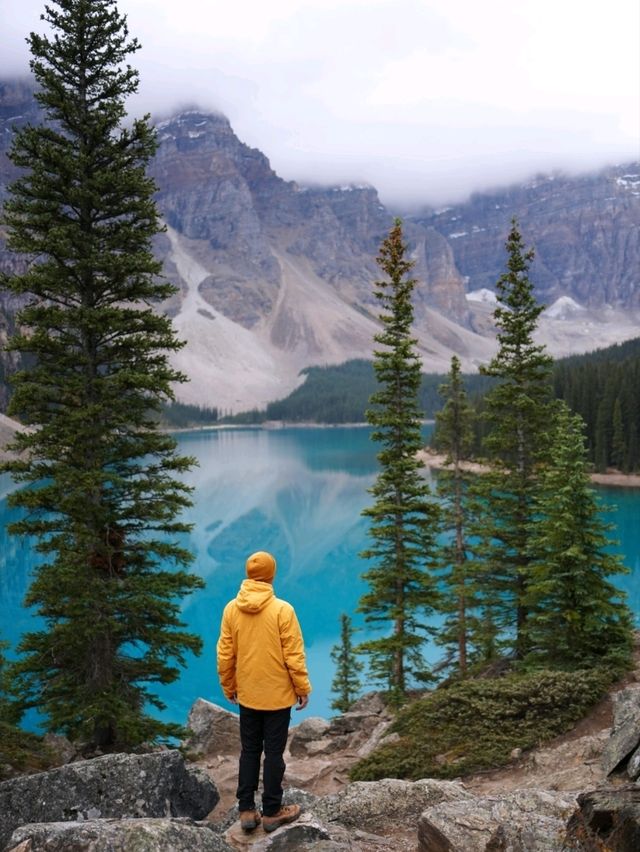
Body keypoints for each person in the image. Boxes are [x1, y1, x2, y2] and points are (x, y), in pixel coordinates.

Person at [217, 550, 312, 834]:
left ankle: (246, 810)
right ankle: (271, 812)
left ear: (248, 574)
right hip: (278, 697)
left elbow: (225, 654)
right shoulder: (283, 610)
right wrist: (302, 687)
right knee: (273, 754)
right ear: (271, 575)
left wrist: (229, 685)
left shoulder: (232, 609)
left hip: (248, 694)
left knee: (249, 751)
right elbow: (294, 655)